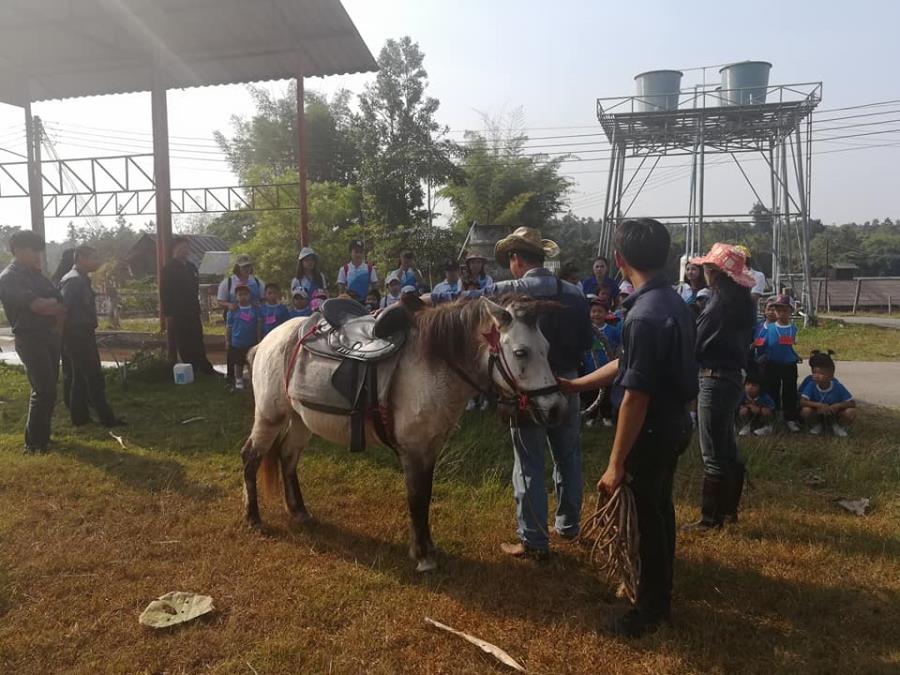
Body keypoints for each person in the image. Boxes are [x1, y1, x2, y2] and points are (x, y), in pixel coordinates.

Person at [559, 218, 697, 637]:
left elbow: (636, 396)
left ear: (619, 260)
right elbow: (629, 363)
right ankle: (658, 589)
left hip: (649, 432)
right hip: (674, 424)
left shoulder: (641, 316)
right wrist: (577, 385)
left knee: (648, 520)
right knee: (659, 509)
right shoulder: (671, 304)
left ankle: (650, 610)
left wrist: (615, 464)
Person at [688, 242, 756, 531]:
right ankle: (728, 510)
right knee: (727, 445)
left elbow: (697, 344)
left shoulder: (716, 305)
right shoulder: (742, 303)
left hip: (713, 379)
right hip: (731, 378)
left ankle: (710, 519)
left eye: (706, 267)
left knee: (712, 452)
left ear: (714, 272)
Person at [0, 231, 68, 453]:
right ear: (19, 250)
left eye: (39, 250)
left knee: (49, 389)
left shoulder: (37, 275)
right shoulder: (9, 278)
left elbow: (60, 302)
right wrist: (50, 304)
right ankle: (34, 443)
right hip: (30, 338)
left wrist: (51, 310)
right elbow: (38, 306)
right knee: (43, 389)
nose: (38, 255)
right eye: (33, 250)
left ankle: (42, 437)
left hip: (49, 336)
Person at [59, 245, 124, 428]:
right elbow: (63, 309)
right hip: (76, 334)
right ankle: (107, 419)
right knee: (94, 378)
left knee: (80, 377)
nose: (97, 262)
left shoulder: (80, 278)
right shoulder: (73, 281)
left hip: (82, 333)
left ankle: (80, 418)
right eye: (93, 257)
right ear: (81, 258)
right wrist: (63, 336)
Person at [160, 236, 214, 375]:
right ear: (174, 250)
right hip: (178, 311)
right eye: (181, 248)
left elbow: (195, 288)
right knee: (184, 340)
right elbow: (165, 293)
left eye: (186, 248)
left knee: (197, 337)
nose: (184, 250)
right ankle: (191, 368)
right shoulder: (168, 269)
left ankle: (204, 367)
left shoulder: (191, 267)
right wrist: (168, 314)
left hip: (193, 309)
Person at [761, 295, 802, 432]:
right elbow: (763, 343)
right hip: (772, 363)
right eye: (778, 310)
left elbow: (794, 346)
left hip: (789, 364)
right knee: (772, 389)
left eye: (785, 310)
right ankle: (774, 416)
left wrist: (796, 355)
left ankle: (790, 418)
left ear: (791, 311)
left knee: (790, 391)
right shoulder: (770, 328)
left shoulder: (793, 329)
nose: (781, 313)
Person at [799, 350, 856, 437]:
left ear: (831, 375)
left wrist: (838, 405)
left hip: (834, 412)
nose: (816, 376)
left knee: (850, 412)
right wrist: (819, 405)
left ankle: (838, 426)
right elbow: (802, 401)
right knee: (805, 411)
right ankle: (817, 425)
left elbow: (852, 403)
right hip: (817, 411)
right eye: (814, 372)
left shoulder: (837, 385)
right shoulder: (811, 383)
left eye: (820, 373)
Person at [51, 248, 77, 410]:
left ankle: (71, 400)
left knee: (69, 367)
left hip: (62, 329)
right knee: (73, 367)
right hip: (69, 329)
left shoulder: (56, 279)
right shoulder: (70, 280)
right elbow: (64, 307)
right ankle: (72, 401)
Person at [225, 284, 260, 390]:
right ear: (236, 297)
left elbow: (258, 325)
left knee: (251, 362)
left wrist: (259, 338)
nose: (243, 297)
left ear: (249, 295)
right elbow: (229, 326)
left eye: (245, 294)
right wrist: (227, 340)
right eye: (240, 295)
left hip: (251, 342)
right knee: (238, 363)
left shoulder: (255, 309)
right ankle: (238, 379)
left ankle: (252, 379)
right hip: (237, 342)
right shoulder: (233, 311)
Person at [738, 372, 776, 437]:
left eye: (754, 385)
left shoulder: (764, 397)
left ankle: (766, 427)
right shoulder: (742, 395)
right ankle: (746, 426)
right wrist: (748, 406)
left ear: (760, 387)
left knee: (765, 411)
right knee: (743, 411)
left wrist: (759, 409)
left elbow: (772, 407)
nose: (750, 387)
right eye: (747, 384)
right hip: (749, 415)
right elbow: (736, 406)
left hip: (761, 416)